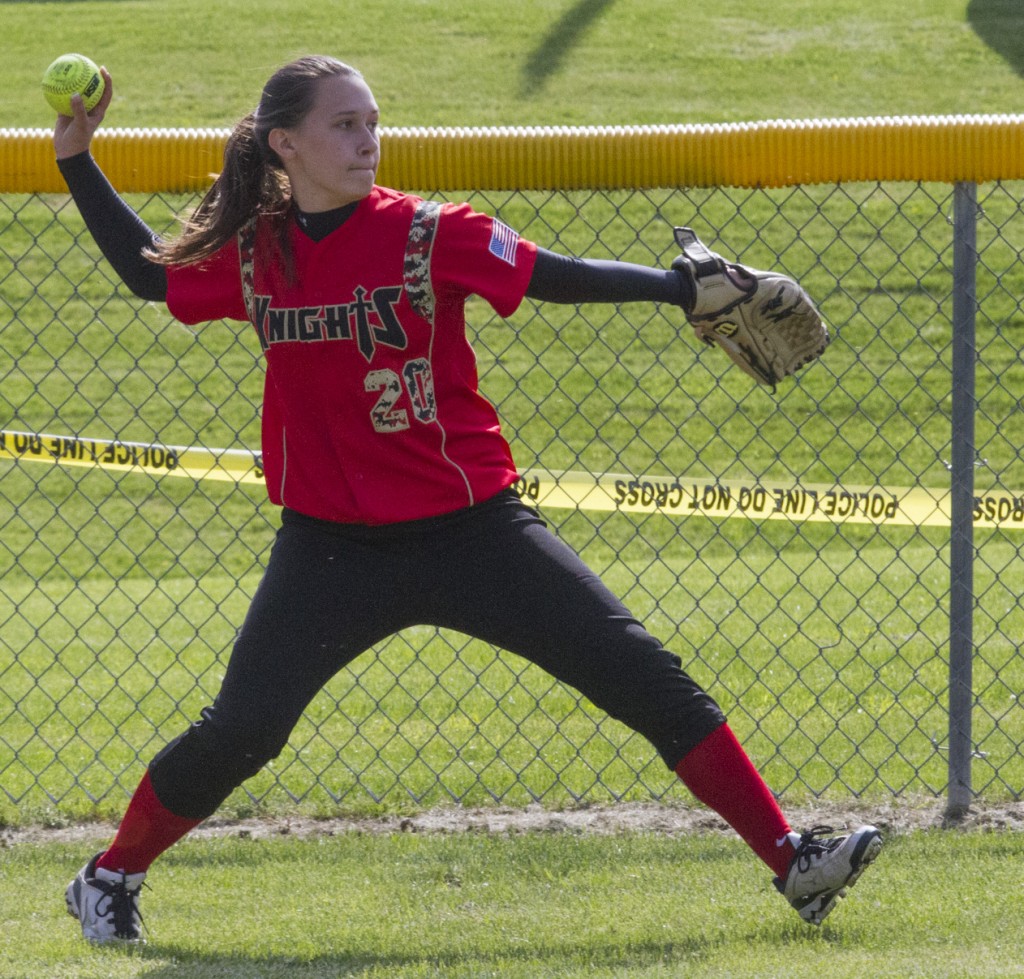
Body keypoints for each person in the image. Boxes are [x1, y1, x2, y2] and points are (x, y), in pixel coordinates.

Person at [53, 55, 881, 945]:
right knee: (244, 730)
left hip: (474, 532)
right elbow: (152, 275)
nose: (367, 139)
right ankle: (108, 876)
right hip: (331, 548)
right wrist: (75, 156)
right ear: (284, 143)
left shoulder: (425, 230)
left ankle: (793, 860)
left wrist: (678, 287)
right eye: (344, 124)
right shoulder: (259, 252)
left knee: (647, 680)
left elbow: (552, 274)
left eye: (372, 121)